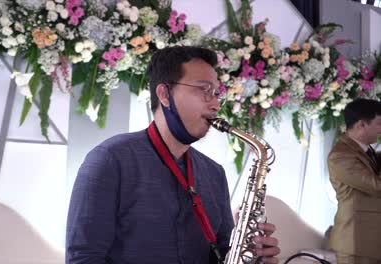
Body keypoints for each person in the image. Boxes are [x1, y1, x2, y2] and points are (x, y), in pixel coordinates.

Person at [65, 46, 280, 264]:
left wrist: (253, 258)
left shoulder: (214, 173)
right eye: (204, 89)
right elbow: (83, 258)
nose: (215, 105)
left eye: (216, 93)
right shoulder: (109, 160)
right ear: (164, 94)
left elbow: (221, 254)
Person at [327, 98, 381, 264]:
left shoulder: (364, 149)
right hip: (356, 242)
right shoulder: (340, 155)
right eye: (379, 123)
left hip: (370, 240)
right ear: (361, 125)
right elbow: (377, 186)